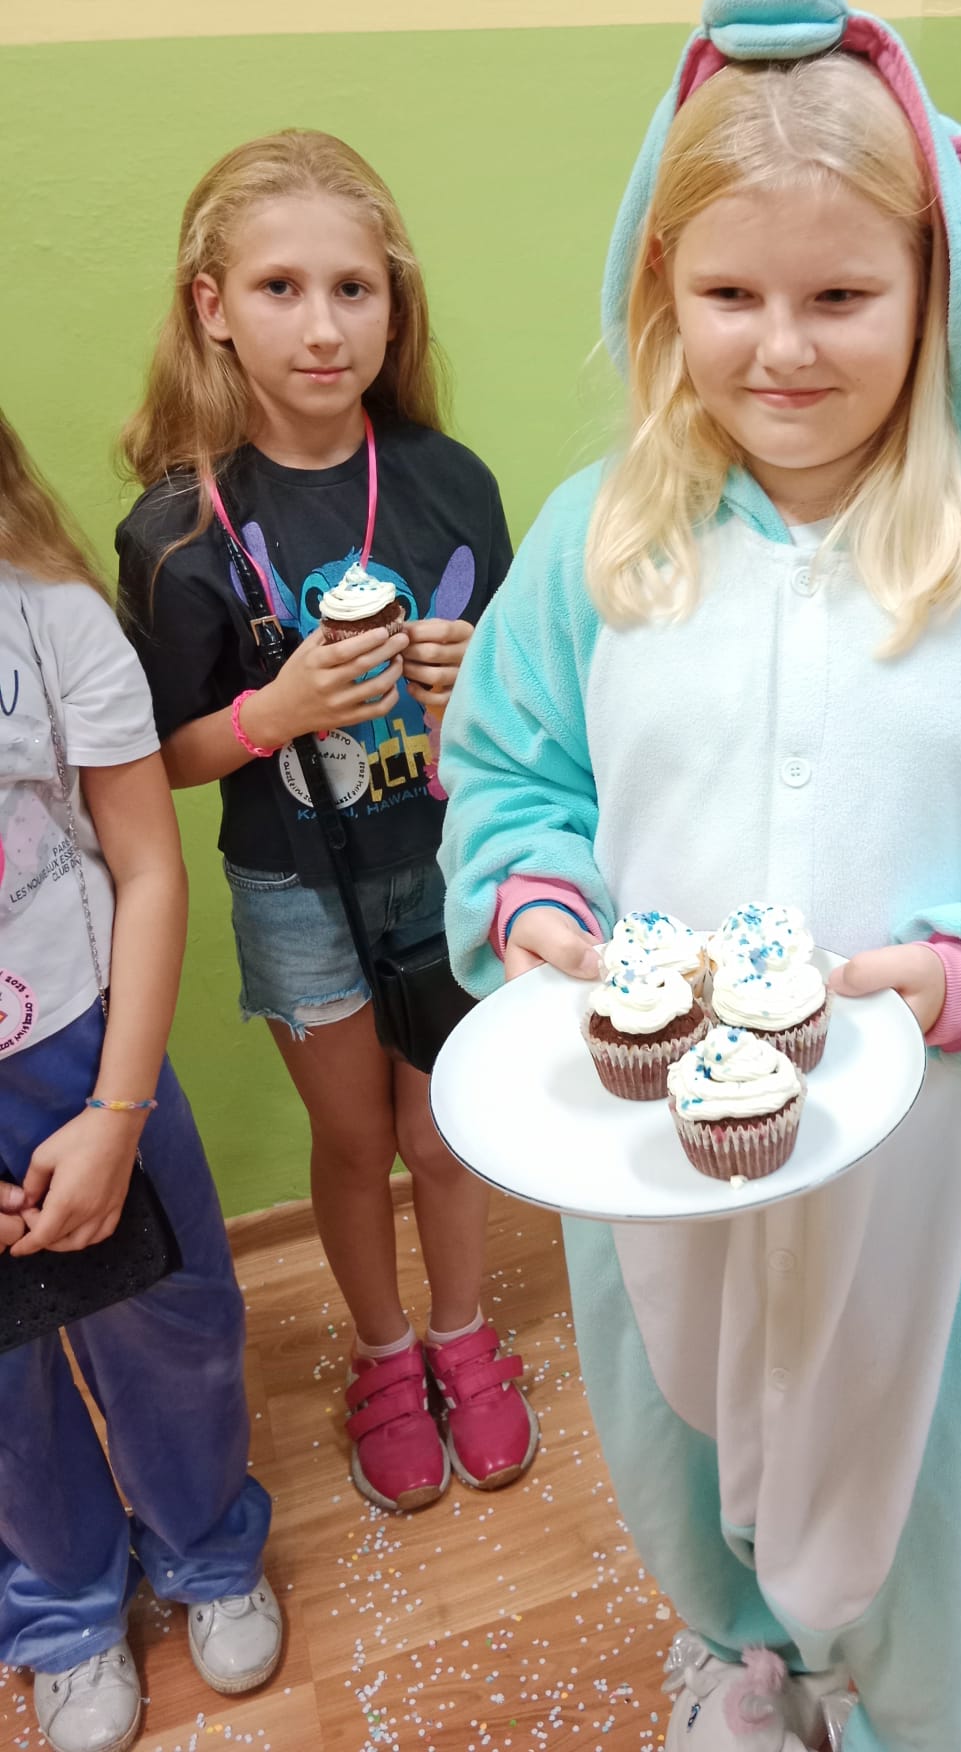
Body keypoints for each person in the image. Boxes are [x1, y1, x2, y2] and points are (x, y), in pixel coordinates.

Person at [438, 0, 961, 1752]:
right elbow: (509, 779)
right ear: (662, 283)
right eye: (731, 293)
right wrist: (536, 897)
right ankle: (747, 1661)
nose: (784, 348)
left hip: (938, 1185)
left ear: (933, 285)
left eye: (840, 295)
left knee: (919, 1510)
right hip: (658, 1172)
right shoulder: (596, 542)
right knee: (688, 1443)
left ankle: (922, 1709)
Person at [115, 132, 535, 1516]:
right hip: (296, 888)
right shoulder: (177, 532)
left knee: (448, 1131)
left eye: (354, 289)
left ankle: (465, 1335)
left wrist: (475, 683)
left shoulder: (448, 481)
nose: (322, 327)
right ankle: (385, 1352)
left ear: (394, 306)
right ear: (212, 306)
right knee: (355, 1145)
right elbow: (157, 761)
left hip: (444, 864)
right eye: (280, 288)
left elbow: (527, 707)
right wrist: (274, 711)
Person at [0, 406, 278, 1752]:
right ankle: (59, 1605)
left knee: (172, 1330)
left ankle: (208, 1543)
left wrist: (115, 1112)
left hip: (87, 1049)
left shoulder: (51, 619)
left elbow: (147, 865)